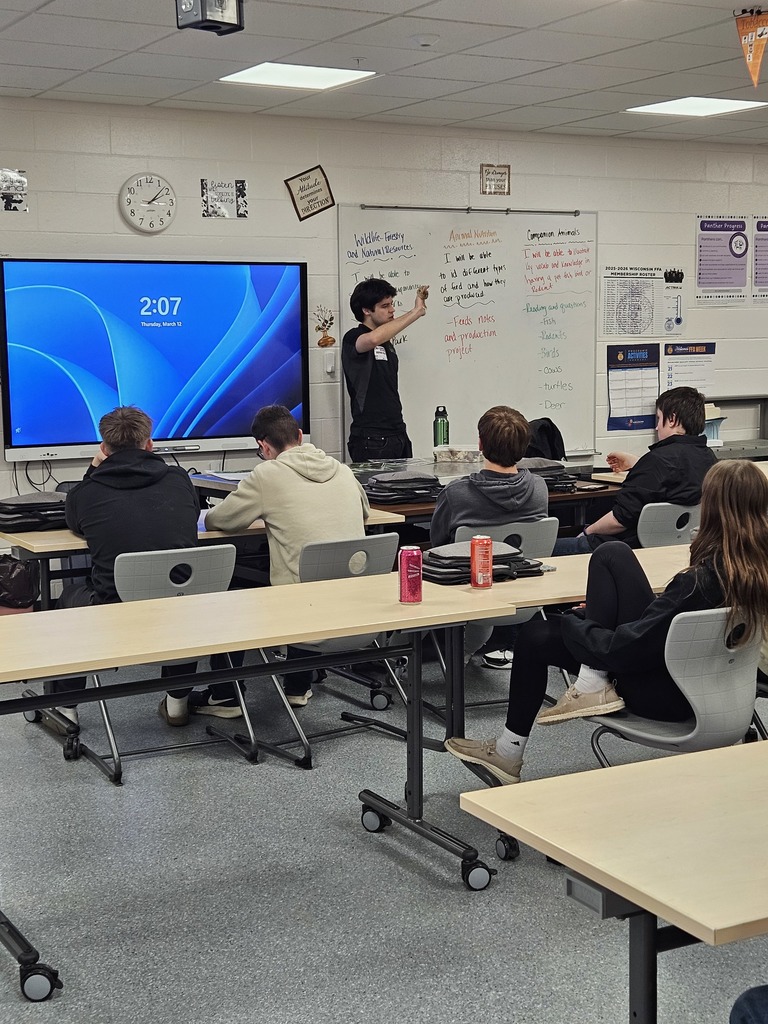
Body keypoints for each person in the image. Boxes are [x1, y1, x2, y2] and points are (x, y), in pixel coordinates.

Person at [445, 459, 768, 785]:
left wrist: (573, 623)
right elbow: (663, 624)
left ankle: (515, 746)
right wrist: (598, 616)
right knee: (609, 558)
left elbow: (624, 649)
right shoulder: (752, 571)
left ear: (711, 508)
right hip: (717, 689)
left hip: (666, 697)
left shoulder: (698, 581)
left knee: (541, 631)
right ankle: (586, 685)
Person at [52, 406, 239, 728]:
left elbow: (75, 521)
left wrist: (93, 468)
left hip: (116, 610)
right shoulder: (181, 481)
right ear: (149, 444)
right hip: (182, 609)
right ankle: (178, 701)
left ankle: (65, 707)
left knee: (67, 599)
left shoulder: (86, 493)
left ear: (104, 447)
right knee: (180, 595)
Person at [204, 404, 370, 705]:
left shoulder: (268, 474)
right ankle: (297, 685)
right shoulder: (342, 470)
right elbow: (365, 511)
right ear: (299, 436)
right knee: (309, 573)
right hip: (360, 609)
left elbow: (220, 521)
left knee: (234, 595)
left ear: (264, 446)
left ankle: (224, 698)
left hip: (302, 616)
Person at [430, 405, 548, 661]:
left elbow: (437, 543)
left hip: (466, 588)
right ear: (524, 447)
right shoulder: (539, 488)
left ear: (480, 444)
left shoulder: (456, 494)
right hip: (524, 590)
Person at [553, 386, 717, 555]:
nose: (656, 428)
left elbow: (620, 520)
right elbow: (676, 475)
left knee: (547, 548)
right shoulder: (708, 458)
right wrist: (637, 462)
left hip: (627, 549)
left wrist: (586, 532)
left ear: (672, 419)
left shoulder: (657, 460)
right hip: (676, 547)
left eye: (658, 419)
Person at [342, 278, 429, 463]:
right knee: (376, 492)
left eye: (392, 304)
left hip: (397, 433)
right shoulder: (353, 337)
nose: (392, 310)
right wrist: (416, 312)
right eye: (385, 306)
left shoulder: (387, 344)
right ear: (366, 310)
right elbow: (372, 339)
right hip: (371, 438)